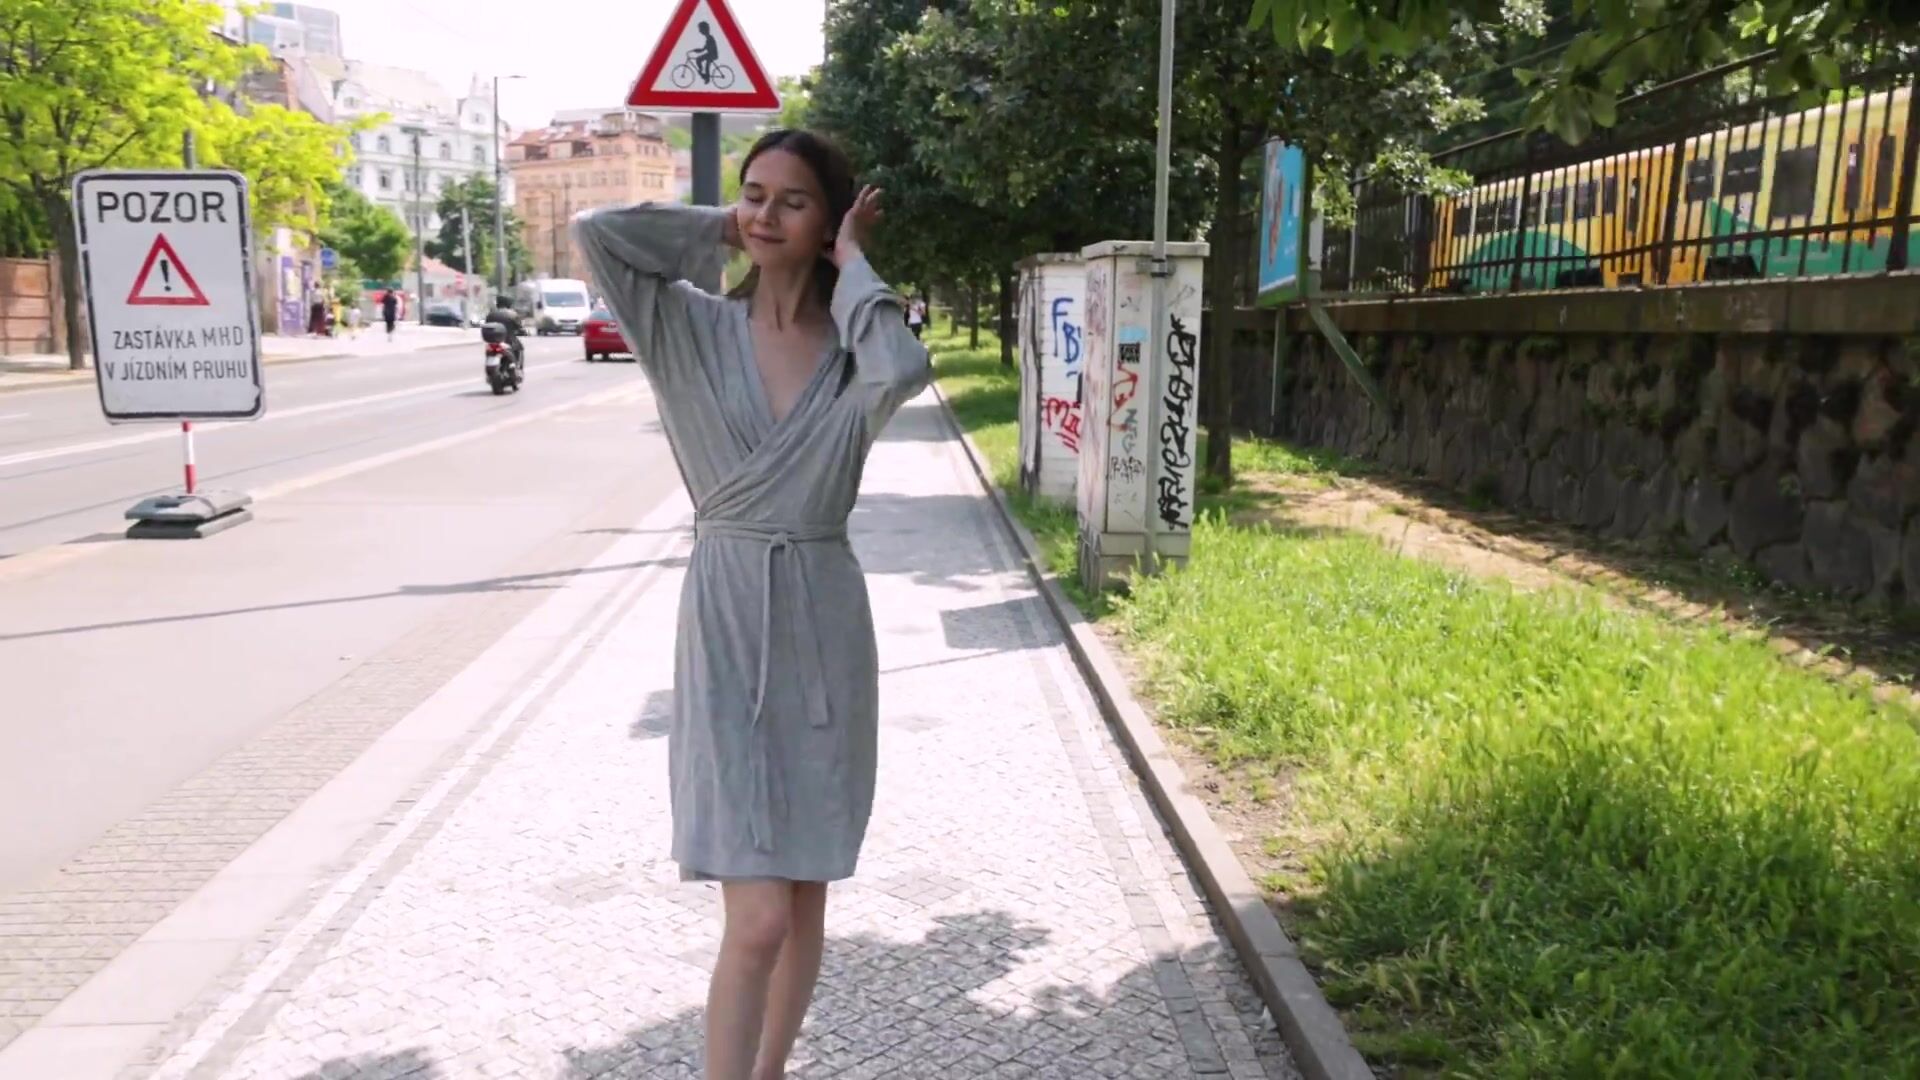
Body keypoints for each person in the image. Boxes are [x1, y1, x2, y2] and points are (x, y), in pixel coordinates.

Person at [573, 129, 929, 1080]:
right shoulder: (686, 327)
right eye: (754, 192)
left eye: (793, 201)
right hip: (728, 620)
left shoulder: (851, 350)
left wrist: (852, 264)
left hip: (822, 619)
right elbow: (597, 232)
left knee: (806, 893)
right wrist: (727, 228)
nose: (767, 213)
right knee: (760, 913)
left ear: (830, 222)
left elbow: (903, 371)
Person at [484, 296, 524, 371]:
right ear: (508, 304)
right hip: (509, 341)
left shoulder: (491, 314)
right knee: (520, 347)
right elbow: (519, 327)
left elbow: (487, 325)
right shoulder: (512, 314)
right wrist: (523, 332)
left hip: (493, 341)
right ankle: (518, 368)